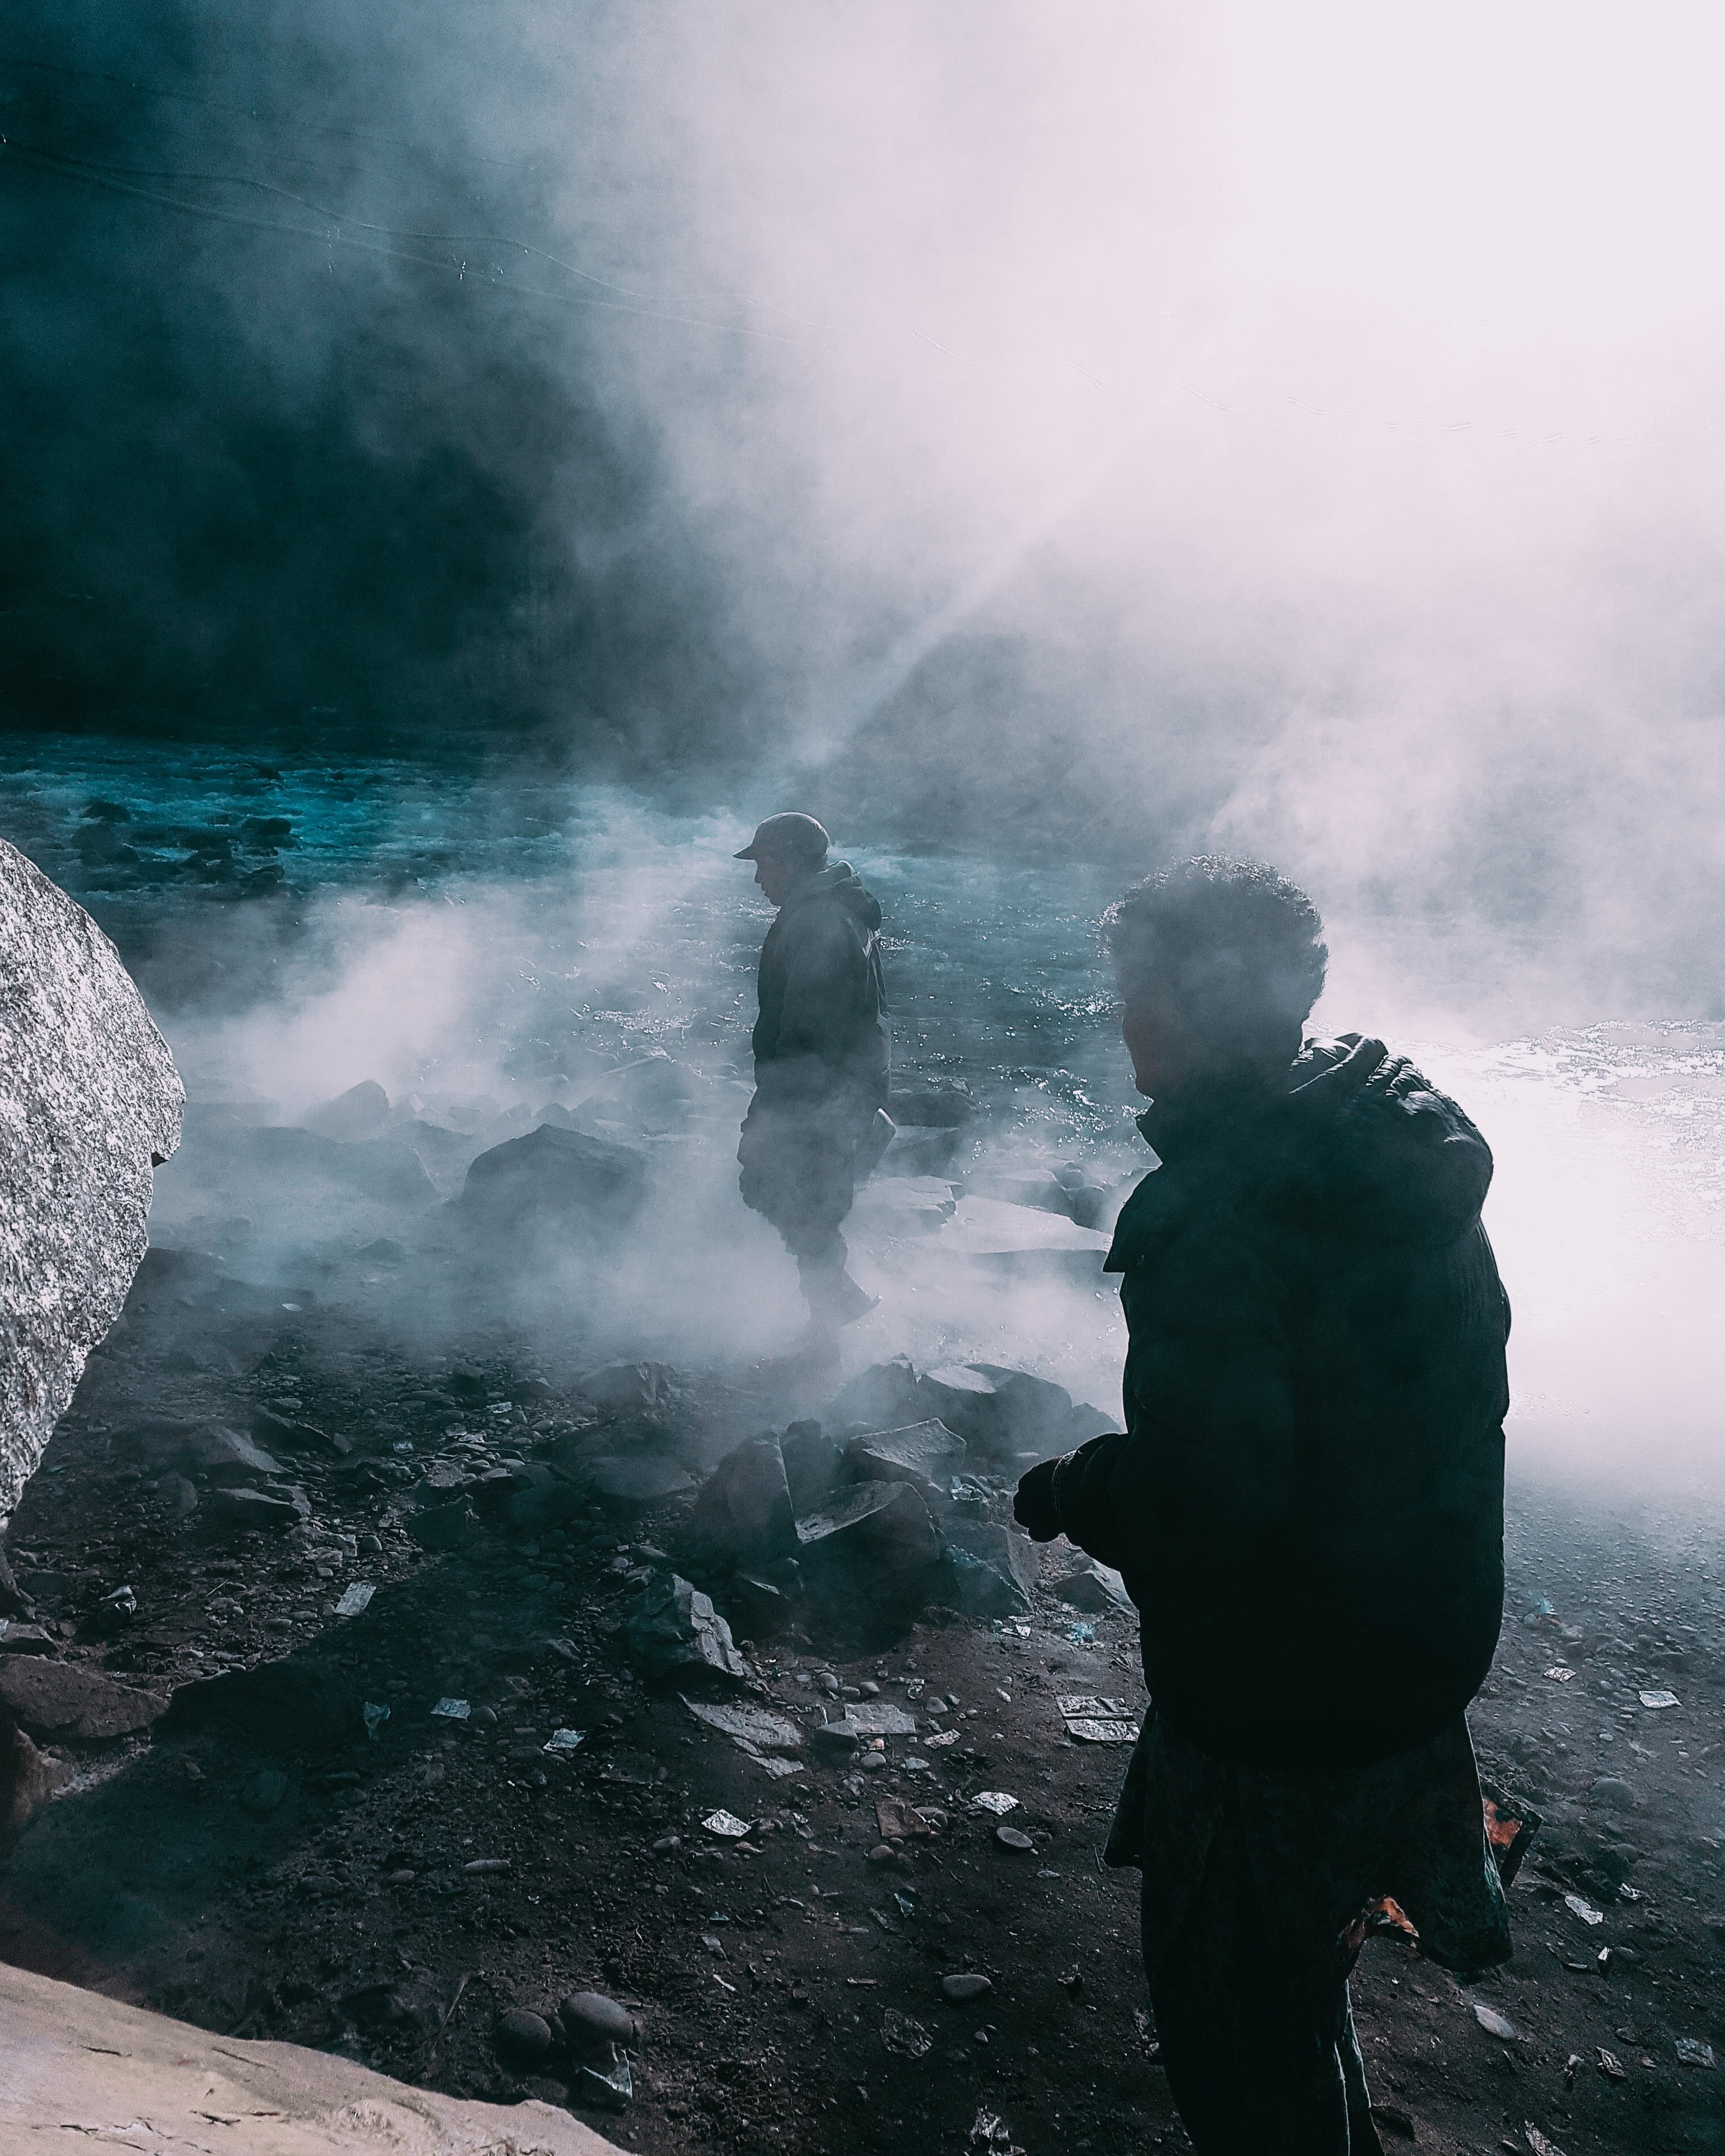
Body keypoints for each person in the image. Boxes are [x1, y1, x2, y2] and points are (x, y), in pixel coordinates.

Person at [1014, 856, 1514, 2156]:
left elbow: (1210, 1503)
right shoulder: (1400, 1144)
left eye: (1134, 990)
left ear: (1178, 1009)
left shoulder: (1223, 1215)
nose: (1123, 1017)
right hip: (1417, 1656)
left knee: (1236, 2029)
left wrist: (1079, 1486)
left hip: (1285, 1706)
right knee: (1304, 1981)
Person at [734, 812, 890, 1335]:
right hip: (846, 1083)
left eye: (766, 863)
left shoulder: (816, 924)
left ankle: (828, 1336)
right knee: (803, 1198)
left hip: (822, 1087)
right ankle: (831, 1313)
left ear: (796, 862)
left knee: (787, 1189)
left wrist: (773, 1110)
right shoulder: (834, 911)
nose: (759, 878)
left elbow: (807, 1032)